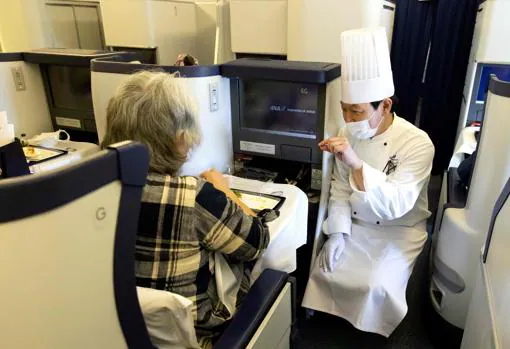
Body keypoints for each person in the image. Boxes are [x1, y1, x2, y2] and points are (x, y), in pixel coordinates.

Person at [101, 71, 271, 348]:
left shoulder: (89, 190)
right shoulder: (193, 197)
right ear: (180, 137)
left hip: (120, 333)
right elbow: (257, 241)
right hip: (199, 336)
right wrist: (222, 188)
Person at [302, 27, 435, 337]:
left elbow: (396, 206)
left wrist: (356, 162)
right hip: (357, 224)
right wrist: (337, 232)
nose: (348, 120)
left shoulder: (418, 143)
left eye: (357, 112)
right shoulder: (349, 132)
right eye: (344, 111)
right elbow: (339, 189)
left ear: (385, 106)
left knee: (375, 286)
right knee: (324, 270)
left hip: (398, 229)